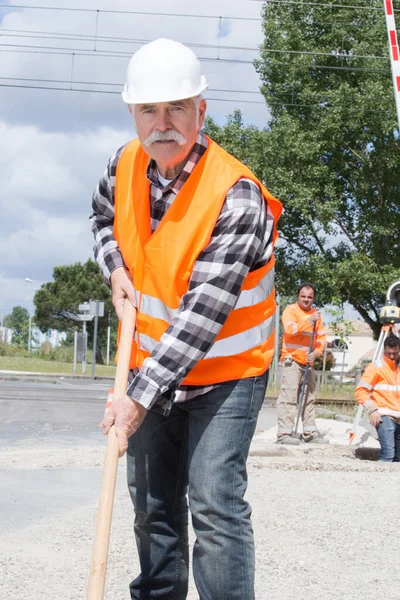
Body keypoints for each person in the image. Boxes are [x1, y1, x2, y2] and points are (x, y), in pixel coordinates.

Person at [90, 38, 282, 600]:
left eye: (177, 107)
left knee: (215, 503)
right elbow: (103, 218)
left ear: (202, 108)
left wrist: (135, 399)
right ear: (133, 113)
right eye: (149, 109)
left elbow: (202, 314)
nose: (163, 122)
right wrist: (114, 268)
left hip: (227, 373)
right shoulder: (124, 165)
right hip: (151, 363)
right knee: (151, 505)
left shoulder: (237, 195)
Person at [276, 282, 327, 444]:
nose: (306, 300)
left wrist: (316, 353)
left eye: (310, 297)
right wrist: (309, 321)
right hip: (291, 360)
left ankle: (309, 432)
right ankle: (284, 434)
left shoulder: (317, 315)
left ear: (313, 298)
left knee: (309, 397)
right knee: (289, 397)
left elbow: (321, 338)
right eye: (303, 296)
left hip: (308, 362)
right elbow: (290, 330)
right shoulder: (290, 310)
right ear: (298, 296)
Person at [355, 334, 400, 462]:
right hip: (383, 415)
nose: (392, 356)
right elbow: (361, 391)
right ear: (384, 350)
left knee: (398, 458)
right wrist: (372, 410)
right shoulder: (375, 367)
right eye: (388, 353)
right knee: (388, 455)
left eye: (395, 353)